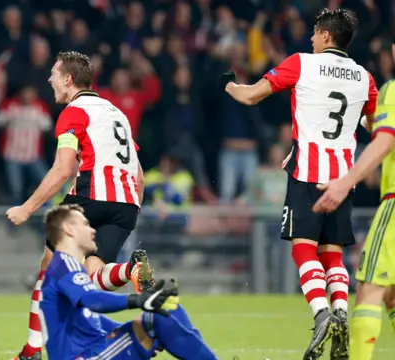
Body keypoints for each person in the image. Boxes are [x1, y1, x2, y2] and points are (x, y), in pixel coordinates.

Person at [223, 8, 378, 360]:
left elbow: (250, 96)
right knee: (333, 254)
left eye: (314, 32)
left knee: (302, 246)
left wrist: (228, 84)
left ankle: (321, 312)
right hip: (343, 177)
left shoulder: (302, 63)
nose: (310, 38)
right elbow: (374, 127)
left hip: (308, 173)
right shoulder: (363, 77)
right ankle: (340, 312)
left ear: (325, 35)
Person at [5, 51, 154, 360]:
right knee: (93, 275)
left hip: (90, 197)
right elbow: (138, 175)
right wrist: (131, 209)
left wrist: (26, 208)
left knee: (48, 273)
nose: (49, 80)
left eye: (54, 74)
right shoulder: (116, 113)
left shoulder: (74, 113)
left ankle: (32, 350)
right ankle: (131, 270)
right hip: (127, 203)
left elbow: (62, 169)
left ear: (68, 79)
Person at [40, 204, 217, 360]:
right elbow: (92, 301)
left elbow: (91, 319)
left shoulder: (68, 267)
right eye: (85, 224)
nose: (92, 230)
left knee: (164, 310)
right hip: (84, 356)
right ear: (68, 229)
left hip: (94, 350)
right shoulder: (64, 265)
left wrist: (138, 329)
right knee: (156, 319)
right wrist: (138, 300)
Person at [313, 41, 395, 360]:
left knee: (370, 289)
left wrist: (345, 181)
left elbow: (386, 139)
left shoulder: (391, 89)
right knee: (390, 296)